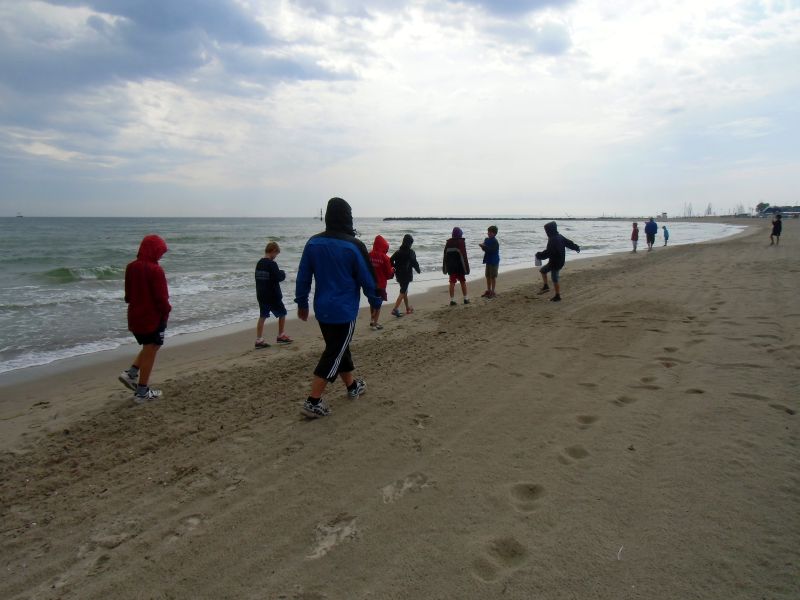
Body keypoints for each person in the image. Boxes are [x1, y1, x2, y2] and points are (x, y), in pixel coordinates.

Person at [294, 197, 381, 419]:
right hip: (343, 311)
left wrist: (302, 302)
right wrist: (375, 302)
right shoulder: (353, 245)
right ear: (347, 217)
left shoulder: (313, 243)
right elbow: (367, 279)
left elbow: (303, 276)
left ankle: (352, 387)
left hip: (322, 309)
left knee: (339, 348)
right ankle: (313, 401)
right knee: (334, 352)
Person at [118, 234, 171, 403]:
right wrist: (166, 313)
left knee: (149, 347)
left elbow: (128, 296)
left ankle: (131, 373)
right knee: (152, 348)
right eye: (160, 252)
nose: (161, 255)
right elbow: (161, 298)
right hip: (152, 318)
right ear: (154, 250)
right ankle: (142, 392)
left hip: (134, 317)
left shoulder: (131, 267)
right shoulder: (156, 270)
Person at [254, 241, 292, 348]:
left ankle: (259, 339)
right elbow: (278, 277)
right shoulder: (272, 264)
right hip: (272, 295)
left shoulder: (259, 263)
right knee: (282, 313)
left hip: (261, 294)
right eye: (276, 254)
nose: (275, 257)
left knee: (263, 316)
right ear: (273, 251)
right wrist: (283, 273)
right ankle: (281, 335)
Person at [535, 221, 580, 302]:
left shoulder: (553, 239)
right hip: (559, 260)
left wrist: (539, 255)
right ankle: (546, 286)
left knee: (554, 278)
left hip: (555, 262)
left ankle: (557, 296)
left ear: (550, 230)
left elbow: (548, 252)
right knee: (543, 270)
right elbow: (569, 243)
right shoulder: (559, 236)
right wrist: (576, 247)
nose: (546, 232)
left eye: (546, 230)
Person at [390, 234, 421, 316]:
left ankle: (407, 308)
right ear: (410, 243)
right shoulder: (411, 252)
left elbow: (390, 260)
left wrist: (394, 267)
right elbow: (414, 263)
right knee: (403, 291)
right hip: (407, 275)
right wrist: (418, 270)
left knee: (404, 291)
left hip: (399, 274)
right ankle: (395, 309)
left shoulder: (397, 252)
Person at [368, 235, 395, 330]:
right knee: (378, 304)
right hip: (381, 284)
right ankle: (375, 323)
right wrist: (393, 270)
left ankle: (372, 319)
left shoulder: (369, 255)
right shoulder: (385, 258)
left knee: (372, 302)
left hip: (370, 284)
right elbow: (388, 274)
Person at [443, 227, 470, 305]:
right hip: (460, 267)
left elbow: (445, 255)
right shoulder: (461, 242)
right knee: (462, 281)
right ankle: (465, 299)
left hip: (451, 267)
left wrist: (445, 268)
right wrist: (467, 269)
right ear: (460, 234)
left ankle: (452, 300)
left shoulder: (448, 243)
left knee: (452, 282)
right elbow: (464, 256)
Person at [479, 225, 500, 298]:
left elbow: (492, 251)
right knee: (487, 276)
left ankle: (493, 291)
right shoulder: (486, 239)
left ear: (494, 233)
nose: (488, 233)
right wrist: (482, 246)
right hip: (488, 260)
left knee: (493, 277)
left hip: (494, 261)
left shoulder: (495, 241)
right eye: (488, 232)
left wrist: (483, 246)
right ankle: (488, 290)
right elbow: (485, 250)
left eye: (490, 232)